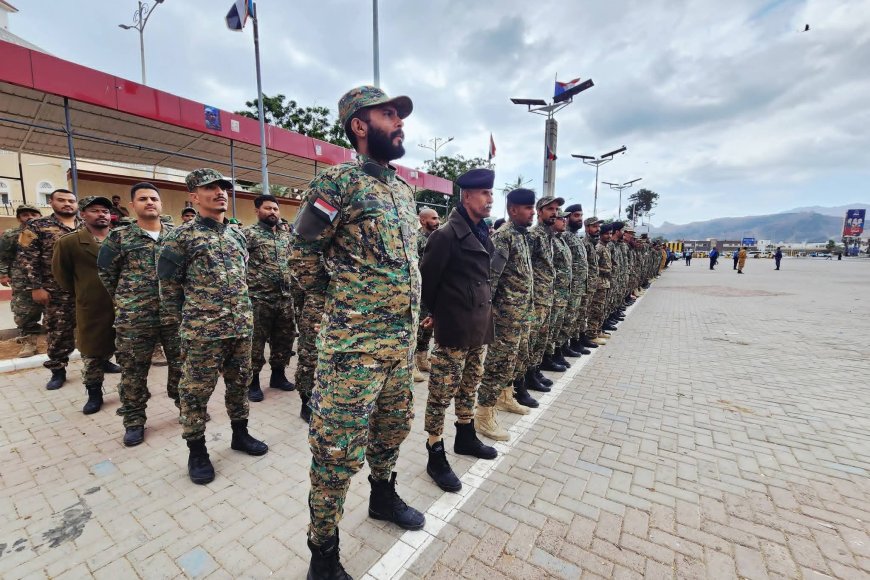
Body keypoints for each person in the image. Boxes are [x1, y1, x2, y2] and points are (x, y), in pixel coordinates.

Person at [291, 85, 423, 578]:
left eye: (399, 114)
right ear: (360, 125)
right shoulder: (337, 184)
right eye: (389, 114)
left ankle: (383, 498)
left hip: (398, 347)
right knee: (335, 453)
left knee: (391, 432)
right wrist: (342, 308)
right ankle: (322, 553)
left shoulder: (404, 189)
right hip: (353, 352)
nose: (400, 122)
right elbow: (300, 255)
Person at [158, 168, 269, 485]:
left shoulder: (236, 234)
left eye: (223, 187)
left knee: (240, 384)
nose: (220, 192)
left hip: (240, 327)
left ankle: (240, 434)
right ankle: (197, 450)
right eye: (211, 188)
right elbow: (168, 292)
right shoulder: (179, 239)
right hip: (203, 332)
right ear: (193, 196)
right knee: (195, 393)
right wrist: (188, 325)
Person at [419, 168, 498, 492]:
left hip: (479, 325)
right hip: (454, 328)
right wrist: (434, 315)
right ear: (466, 196)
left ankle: (465, 435)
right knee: (441, 391)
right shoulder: (447, 235)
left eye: (491, 193)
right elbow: (427, 282)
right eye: (484, 194)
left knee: (470, 383)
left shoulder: (481, 232)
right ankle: (434, 450)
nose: (490, 199)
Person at [98, 183, 183, 446]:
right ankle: (134, 420)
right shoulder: (120, 237)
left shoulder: (176, 236)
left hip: (173, 316)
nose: (149, 202)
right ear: (132, 205)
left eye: (154, 199)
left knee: (182, 366)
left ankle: (187, 408)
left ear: (160, 204)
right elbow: (106, 273)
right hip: (135, 318)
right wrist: (128, 300)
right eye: (143, 199)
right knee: (134, 371)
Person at [477, 188, 538, 443]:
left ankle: (504, 398)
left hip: (521, 315)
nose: (532, 212)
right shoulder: (504, 238)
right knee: (496, 365)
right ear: (513, 210)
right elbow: (491, 279)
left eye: (533, 207)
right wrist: (489, 316)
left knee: (514, 362)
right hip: (505, 318)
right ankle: (483, 415)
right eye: (528, 208)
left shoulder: (521, 236)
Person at [52, 197, 117, 414]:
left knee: (129, 352)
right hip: (92, 306)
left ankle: (132, 391)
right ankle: (94, 394)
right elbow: (62, 276)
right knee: (91, 353)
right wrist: (85, 292)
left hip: (125, 305)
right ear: (83, 214)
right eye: (95, 211)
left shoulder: (121, 239)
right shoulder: (69, 242)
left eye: (105, 211)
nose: (101, 215)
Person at [17, 189, 82, 389]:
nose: (67, 204)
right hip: (55, 290)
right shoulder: (36, 226)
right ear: (51, 203)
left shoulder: (86, 225)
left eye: (71, 201)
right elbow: (26, 258)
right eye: (61, 200)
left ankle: (101, 360)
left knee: (94, 328)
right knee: (58, 330)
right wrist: (36, 287)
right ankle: (58, 370)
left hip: (86, 289)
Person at [243, 194, 296, 402]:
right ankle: (253, 382)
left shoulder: (286, 236)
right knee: (256, 342)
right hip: (259, 298)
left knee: (284, 339)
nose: (272, 212)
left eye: (275, 209)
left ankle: (278, 376)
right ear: (257, 211)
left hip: (285, 298)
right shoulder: (248, 235)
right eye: (267, 208)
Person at [0, 204, 44, 357]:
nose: (30, 217)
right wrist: (3, 274)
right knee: (24, 312)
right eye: (25, 215)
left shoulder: (48, 233)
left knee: (57, 311)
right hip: (22, 279)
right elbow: (3, 257)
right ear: (19, 218)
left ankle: (57, 340)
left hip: (48, 278)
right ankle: (28, 343)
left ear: (40, 216)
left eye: (34, 214)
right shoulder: (11, 235)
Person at [528, 196, 565, 374]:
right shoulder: (534, 235)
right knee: (532, 338)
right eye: (550, 209)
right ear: (539, 211)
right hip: (536, 299)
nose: (554, 213)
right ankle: (526, 376)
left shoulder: (549, 236)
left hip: (548, 297)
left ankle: (535, 371)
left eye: (556, 210)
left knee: (542, 337)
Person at [414, 206, 440, 382]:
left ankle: (423, 359)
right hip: (419, 291)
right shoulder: (417, 239)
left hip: (433, 289)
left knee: (427, 330)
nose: (437, 222)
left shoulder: (437, 239)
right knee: (416, 328)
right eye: (433, 219)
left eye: (438, 218)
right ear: (423, 220)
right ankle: (412, 365)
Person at [563, 204, 591, 356]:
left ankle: (575, 341)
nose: (580, 219)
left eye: (581, 215)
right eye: (576, 216)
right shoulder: (565, 236)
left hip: (580, 286)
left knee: (577, 317)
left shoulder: (575, 237)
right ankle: (565, 346)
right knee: (568, 319)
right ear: (567, 217)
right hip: (570, 288)